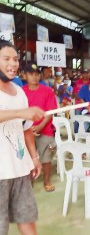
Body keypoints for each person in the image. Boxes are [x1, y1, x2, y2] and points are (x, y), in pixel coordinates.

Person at [0, 40, 45, 235]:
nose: (13, 63)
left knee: (27, 219)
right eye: (6, 59)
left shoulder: (19, 92)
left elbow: (26, 130)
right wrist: (21, 113)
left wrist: (34, 158)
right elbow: (20, 116)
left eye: (16, 59)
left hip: (19, 168)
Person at [22, 63, 58, 192]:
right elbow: (21, 113)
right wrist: (29, 128)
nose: (34, 77)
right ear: (24, 75)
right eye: (31, 74)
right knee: (28, 158)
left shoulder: (47, 91)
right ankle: (29, 182)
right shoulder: (21, 92)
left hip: (45, 130)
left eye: (37, 74)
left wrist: (40, 126)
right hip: (27, 131)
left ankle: (47, 181)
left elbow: (50, 112)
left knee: (46, 157)